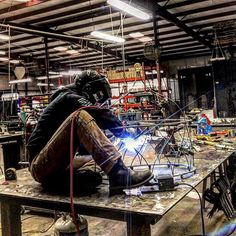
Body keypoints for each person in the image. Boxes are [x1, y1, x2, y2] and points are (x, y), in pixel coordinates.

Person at [27, 70, 153, 195]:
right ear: (88, 89)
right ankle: (119, 173)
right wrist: (123, 131)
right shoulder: (67, 97)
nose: (97, 102)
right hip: (40, 165)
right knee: (80, 116)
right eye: (98, 96)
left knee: (95, 171)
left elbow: (86, 142)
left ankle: (59, 182)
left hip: (56, 165)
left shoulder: (68, 102)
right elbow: (97, 112)